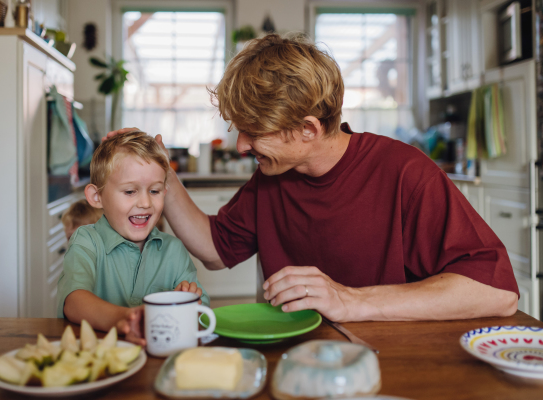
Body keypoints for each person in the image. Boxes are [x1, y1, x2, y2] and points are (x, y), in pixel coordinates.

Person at [108, 34, 518, 323]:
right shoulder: (273, 175)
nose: (241, 146)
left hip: (387, 360)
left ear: (308, 129)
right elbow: (216, 249)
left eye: (253, 131)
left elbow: (496, 293)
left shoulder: (406, 173)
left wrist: (352, 301)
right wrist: (163, 174)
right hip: (296, 356)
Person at [57, 131, 209, 346]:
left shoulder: (173, 250)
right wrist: (126, 319)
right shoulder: (86, 241)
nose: (145, 203)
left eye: (154, 191)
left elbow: (203, 314)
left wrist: (189, 302)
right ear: (96, 197)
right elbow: (74, 301)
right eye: (130, 191)